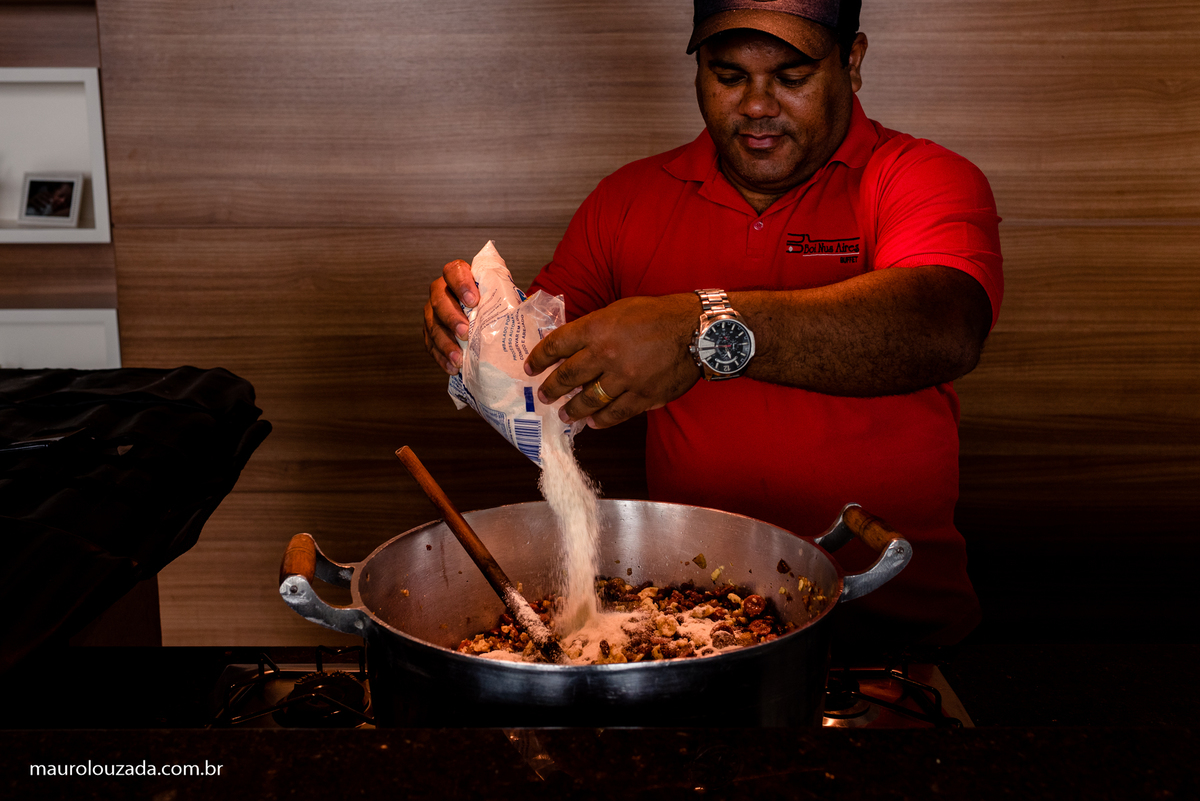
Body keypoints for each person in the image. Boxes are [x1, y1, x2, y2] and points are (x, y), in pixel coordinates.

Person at [424, 0, 1003, 653]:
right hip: (694, 623)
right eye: (729, 76)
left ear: (853, 61)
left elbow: (944, 325)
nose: (756, 105)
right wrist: (475, 332)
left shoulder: (917, 177)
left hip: (891, 619)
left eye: (791, 77)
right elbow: (541, 370)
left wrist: (697, 328)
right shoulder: (629, 200)